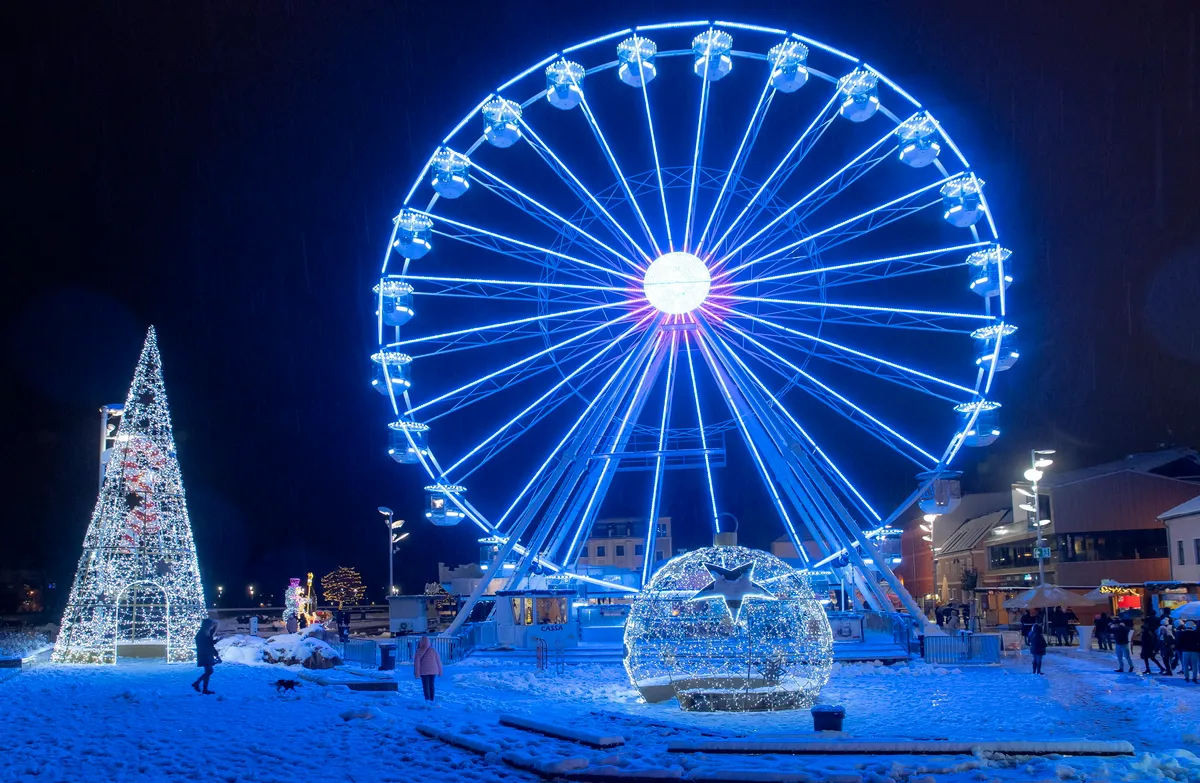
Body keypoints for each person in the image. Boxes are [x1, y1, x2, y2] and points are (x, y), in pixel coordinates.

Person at [192, 618, 219, 694]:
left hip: (206, 654)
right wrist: (215, 641)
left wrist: (216, 654)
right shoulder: (202, 634)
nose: (211, 626)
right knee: (209, 671)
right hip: (204, 655)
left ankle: (204, 689)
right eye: (210, 624)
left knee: (208, 672)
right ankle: (197, 683)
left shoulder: (206, 633)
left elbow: (209, 644)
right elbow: (207, 644)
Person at [413, 635, 443, 702]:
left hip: (423, 671)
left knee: (425, 686)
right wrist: (440, 672)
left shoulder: (418, 651)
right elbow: (438, 661)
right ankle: (432, 699)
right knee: (431, 685)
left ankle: (427, 699)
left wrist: (416, 674)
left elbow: (417, 664)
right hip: (433, 670)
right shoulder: (433, 650)